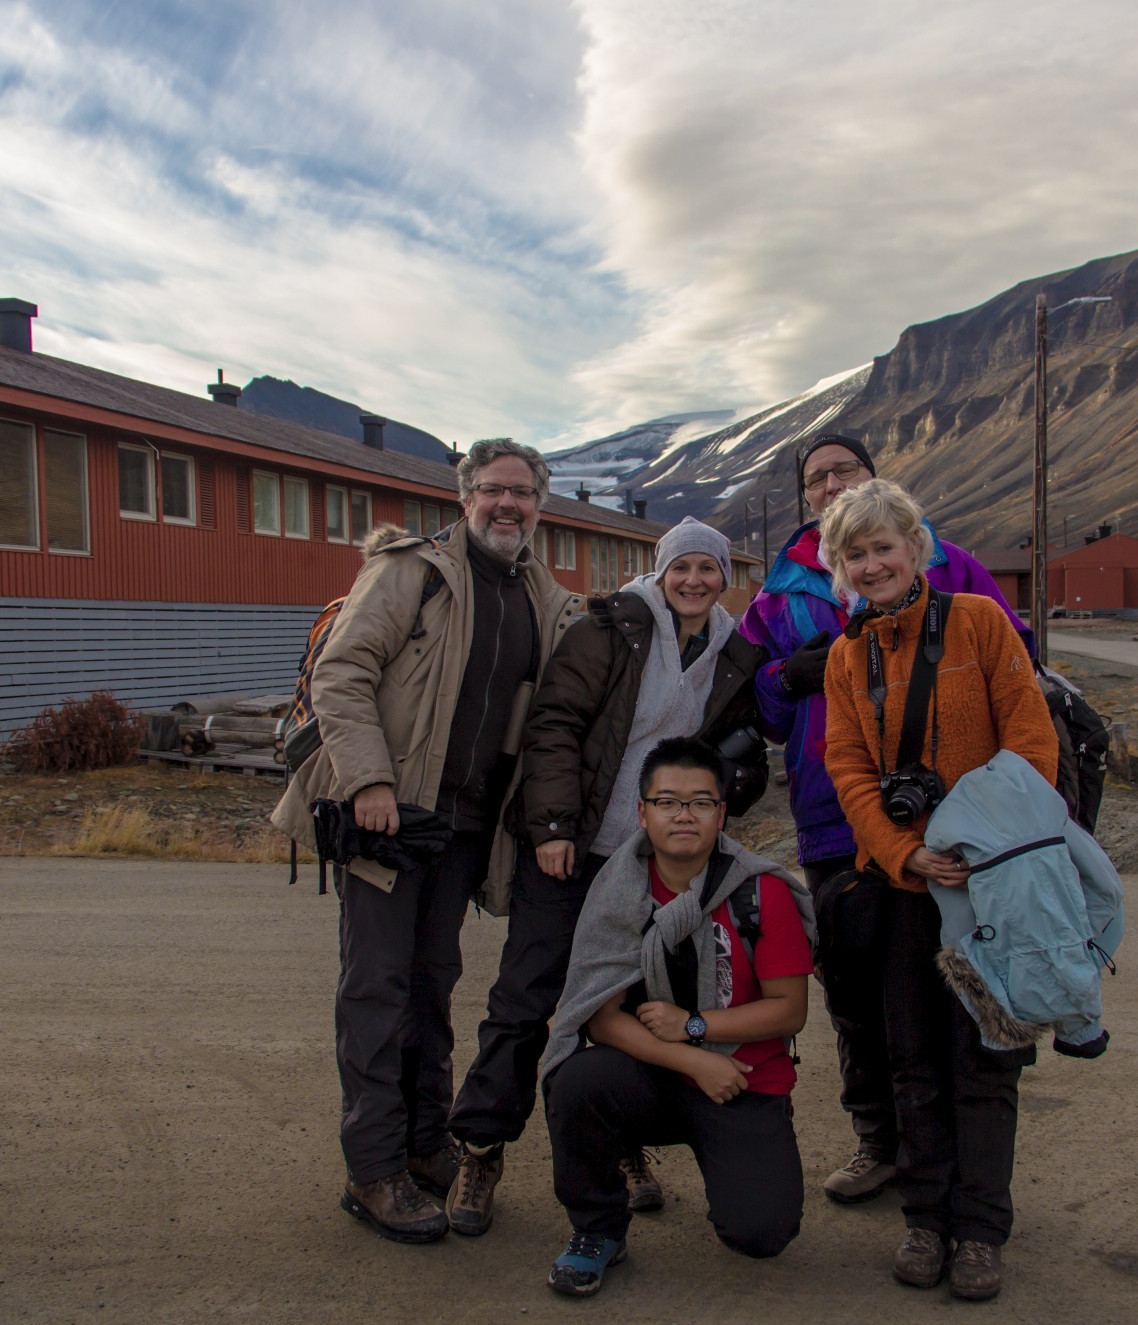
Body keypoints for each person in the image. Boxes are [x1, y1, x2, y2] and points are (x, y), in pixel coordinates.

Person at [272, 438, 582, 1245]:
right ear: (464, 496)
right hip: (389, 814)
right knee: (375, 985)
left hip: (466, 827)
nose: (506, 504)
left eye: (521, 492)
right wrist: (369, 780)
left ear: (539, 506)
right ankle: (372, 1169)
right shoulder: (412, 571)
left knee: (432, 982)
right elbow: (343, 674)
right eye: (492, 489)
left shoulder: (542, 593)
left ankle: (423, 1140)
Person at [443, 518, 766, 1236]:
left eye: (707, 570)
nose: (693, 581)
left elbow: (740, 757)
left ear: (723, 577)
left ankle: (619, 1145)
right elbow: (553, 724)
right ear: (659, 570)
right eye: (681, 567)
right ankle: (480, 1146)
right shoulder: (610, 626)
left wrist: (728, 791)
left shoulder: (733, 649)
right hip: (577, 847)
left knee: (637, 1003)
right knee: (527, 998)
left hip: (656, 864)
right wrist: (554, 827)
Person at [736, 431, 1034, 1206]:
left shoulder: (950, 566)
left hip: (964, 826)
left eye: (845, 470)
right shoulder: (781, 588)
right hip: (835, 814)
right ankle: (882, 1141)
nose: (831, 482)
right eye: (815, 477)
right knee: (862, 995)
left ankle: (966, 1182)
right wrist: (784, 675)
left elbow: (1015, 665)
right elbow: (757, 698)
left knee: (968, 1002)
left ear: (877, 483)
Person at [817, 478, 1060, 1302]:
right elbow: (847, 767)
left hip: (990, 887)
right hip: (903, 885)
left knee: (987, 1058)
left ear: (916, 548)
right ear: (840, 568)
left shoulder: (981, 623)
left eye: (885, 546)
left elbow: (1031, 743)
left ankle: (981, 1229)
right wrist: (902, 853)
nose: (873, 562)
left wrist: (970, 845)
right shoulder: (848, 655)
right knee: (911, 1057)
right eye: (856, 553)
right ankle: (925, 1217)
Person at [535, 737, 813, 1297]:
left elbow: (790, 1012)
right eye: (667, 801)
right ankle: (597, 1230)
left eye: (701, 802)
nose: (683, 815)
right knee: (577, 1080)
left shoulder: (758, 890)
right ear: (642, 813)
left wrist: (695, 1025)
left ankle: (744, 1152)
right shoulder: (618, 890)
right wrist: (688, 1058)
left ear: (721, 813)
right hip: (653, 1078)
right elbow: (598, 1018)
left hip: (741, 1081)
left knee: (760, 1233)